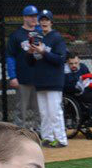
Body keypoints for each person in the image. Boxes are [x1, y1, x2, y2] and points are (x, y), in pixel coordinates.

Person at [26, 9, 68, 148]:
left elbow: (60, 59)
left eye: (46, 20)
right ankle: (48, 138)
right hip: (40, 80)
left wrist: (43, 51)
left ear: (51, 22)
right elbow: (31, 62)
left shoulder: (57, 38)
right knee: (44, 113)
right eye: (42, 20)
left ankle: (61, 139)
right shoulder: (37, 38)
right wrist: (30, 53)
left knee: (54, 112)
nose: (44, 22)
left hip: (53, 80)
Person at [6, 5, 40, 130]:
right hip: (22, 77)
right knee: (21, 109)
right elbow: (10, 57)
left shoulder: (40, 33)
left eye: (35, 16)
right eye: (31, 16)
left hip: (39, 77)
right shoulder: (16, 35)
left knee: (39, 109)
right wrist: (12, 76)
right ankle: (19, 135)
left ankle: (40, 134)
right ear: (24, 17)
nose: (34, 19)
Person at [64, 50, 92, 132]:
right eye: (71, 63)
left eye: (76, 63)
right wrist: (78, 83)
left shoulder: (83, 67)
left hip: (87, 92)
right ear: (67, 62)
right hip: (74, 94)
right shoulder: (65, 71)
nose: (74, 65)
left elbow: (90, 79)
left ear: (79, 61)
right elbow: (65, 86)